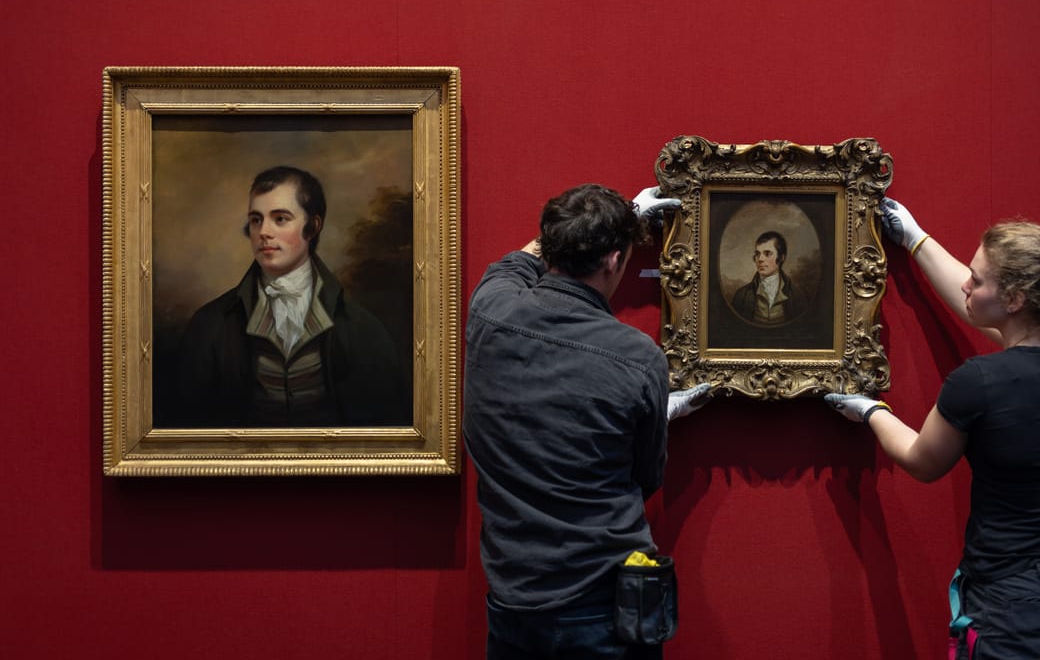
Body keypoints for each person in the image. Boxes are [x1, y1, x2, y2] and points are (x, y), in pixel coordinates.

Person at [826, 197, 1040, 659]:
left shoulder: (978, 382)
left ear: (1015, 299)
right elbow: (983, 314)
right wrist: (914, 238)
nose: (966, 283)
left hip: (1018, 614)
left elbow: (923, 461)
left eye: (977, 279)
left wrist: (868, 410)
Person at [463, 183, 710, 660]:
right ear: (614, 261)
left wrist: (611, 219)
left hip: (512, 596)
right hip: (601, 604)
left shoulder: (489, 308)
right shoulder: (639, 358)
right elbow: (647, 477)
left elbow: (518, 259)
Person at [163, 165, 409, 428]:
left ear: (313, 227)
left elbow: (385, 426)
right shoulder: (210, 324)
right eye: (256, 219)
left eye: (280, 219)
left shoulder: (360, 327)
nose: (263, 232)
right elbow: (186, 425)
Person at [730, 230, 803, 325]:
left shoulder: (797, 295)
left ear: (781, 257)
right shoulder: (741, 295)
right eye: (757, 254)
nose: (760, 259)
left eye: (767, 254)